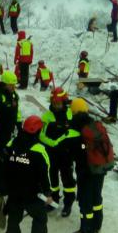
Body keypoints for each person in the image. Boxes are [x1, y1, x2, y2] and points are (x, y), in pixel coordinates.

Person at [4, 115, 53, 233]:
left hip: (13, 191)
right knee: (40, 218)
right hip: (32, 194)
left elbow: (5, 164)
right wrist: (48, 193)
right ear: (37, 131)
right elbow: (45, 173)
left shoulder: (11, 143)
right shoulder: (39, 150)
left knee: (14, 217)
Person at [69, 98, 113, 233]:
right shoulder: (94, 124)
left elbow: (78, 149)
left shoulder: (76, 128)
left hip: (86, 170)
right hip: (99, 168)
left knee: (85, 200)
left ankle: (86, 230)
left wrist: (78, 149)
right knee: (96, 196)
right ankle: (97, 224)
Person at [39, 88, 77, 217]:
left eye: (59, 103)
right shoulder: (47, 117)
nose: (56, 106)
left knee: (68, 179)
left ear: (64, 102)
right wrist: (54, 143)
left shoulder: (71, 114)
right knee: (52, 177)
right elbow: (41, 136)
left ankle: (68, 202)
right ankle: (54, 199)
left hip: (67, 154)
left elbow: (76, 132)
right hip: (52, 153)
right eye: (54, 103)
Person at [0, 71, 22, 160]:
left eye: (14, 85)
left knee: (9, 150)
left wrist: (19, 122)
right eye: (11, 85)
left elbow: (16, 109)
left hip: (10, 129)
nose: (13, 87)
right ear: (4, 84)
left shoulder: (14, 95)